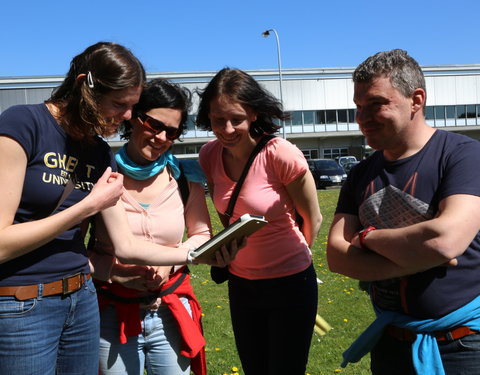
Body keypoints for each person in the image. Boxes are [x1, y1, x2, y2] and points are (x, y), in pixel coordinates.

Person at [0, 42, 236, 375]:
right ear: (85, 85)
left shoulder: (98, 152)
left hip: (81, 300)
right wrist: (86, 208)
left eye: (132, 106)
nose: (126, 115)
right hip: (25, 299)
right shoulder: (24, 123)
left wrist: (196, 254)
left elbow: (126, 246)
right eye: (120, 104)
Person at [326, 49, 480, 375]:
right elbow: (337, 256)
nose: (363, 117)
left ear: (416, 99)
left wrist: (367, 238)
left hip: (462, 345)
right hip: (391, 343)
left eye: (377, 104)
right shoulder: (360, 173)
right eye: (358, 107)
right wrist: (418, 255)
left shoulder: (463, 156)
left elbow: (444, 241)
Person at [197, 68, 322, 375]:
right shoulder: (209, 154)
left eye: (236, 118)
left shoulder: (280, 153)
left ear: (252, 114)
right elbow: (226, 215)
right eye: (217, 119)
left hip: (291, 283)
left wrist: (290, 260)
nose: (226, 129)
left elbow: (313, 218)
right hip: (242, 285)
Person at [90, 78, 211, 375]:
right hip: (112, 315)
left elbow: (201, 235)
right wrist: (115, 273)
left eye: (171, 132)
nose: (160, 137)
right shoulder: (102, 175)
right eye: (153, 124)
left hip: (169, 312)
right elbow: (73, 251)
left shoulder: (184, 178)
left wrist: (171, 262)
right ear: (132, 117)